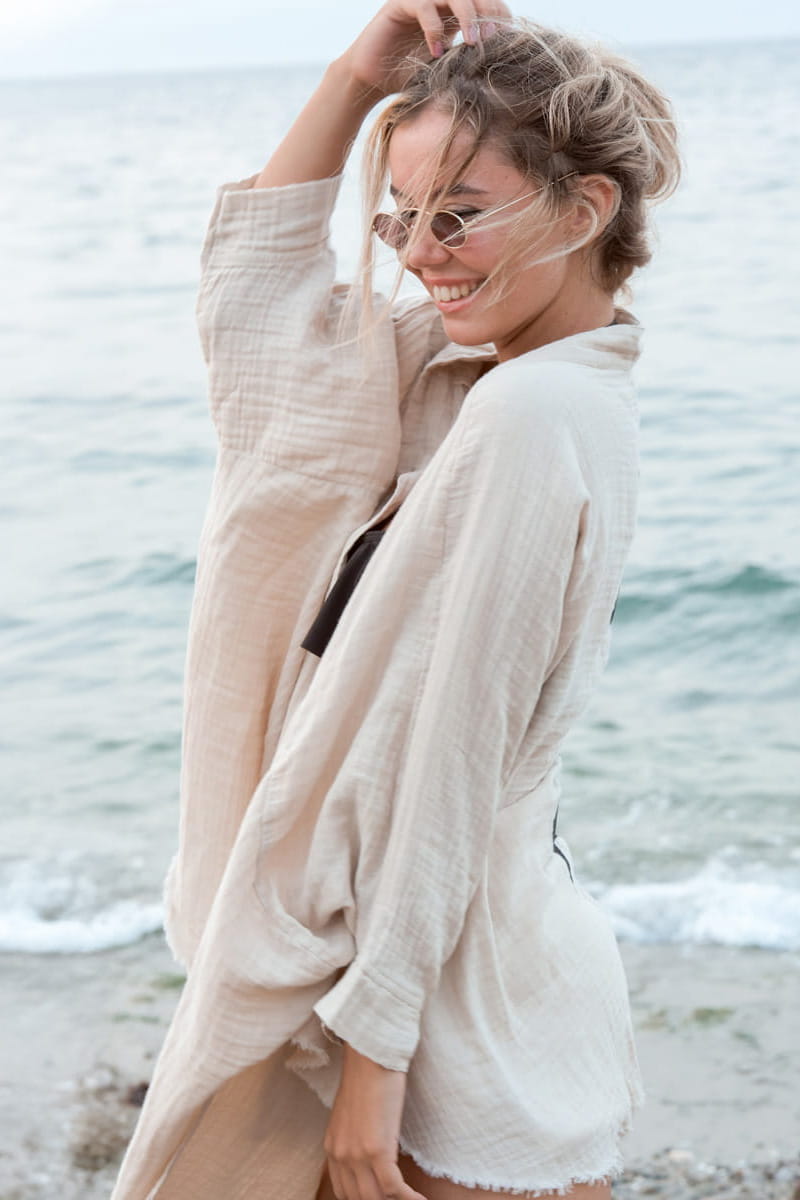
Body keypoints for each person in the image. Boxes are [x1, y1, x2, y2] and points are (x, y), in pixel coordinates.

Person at [111, 4, 680, 1199]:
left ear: (584, 210)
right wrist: (352, 80)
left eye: (459, 215)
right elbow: (259, 334)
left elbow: (451, 762)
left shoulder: (527, 418)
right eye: (400, 217)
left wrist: (376, 1051)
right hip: (456, 978)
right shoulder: (476, 383)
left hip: (444, 1022)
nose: (420, 252)